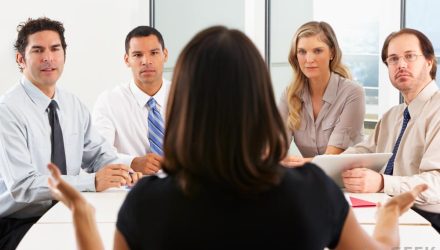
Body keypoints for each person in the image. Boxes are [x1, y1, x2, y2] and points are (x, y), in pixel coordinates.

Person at [47, 26, 427, 249]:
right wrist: (389, 216)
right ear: (260, 101)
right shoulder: (312, 192)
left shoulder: (147, 204)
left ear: (182, 103)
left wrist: (82, 216)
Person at [0, 17, 141, 250]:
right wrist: (93, 181)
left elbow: (98, 154)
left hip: (65, 212)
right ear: (20, 59)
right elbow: (23, 186)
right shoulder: (8, 111)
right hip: (18, 221)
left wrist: (121, 171)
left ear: (64, 55)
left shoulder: (72, 104)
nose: (48, 58)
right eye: (37, 50)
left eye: (55, 49)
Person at [342, 28, 440, 233]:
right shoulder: (392, 116)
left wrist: (381, 182)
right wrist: (316, 165)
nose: (401, 65)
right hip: (390, 209)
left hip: (430, 218)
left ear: (429, 62)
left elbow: (437, 184)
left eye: (410, 56)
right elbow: (363, 153)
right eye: (393, 59)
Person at [279, 21, 365, 166]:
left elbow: (332, 157)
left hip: (349, 182)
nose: (309, 59)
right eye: (302, 52)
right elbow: (276, 147)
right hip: (312, 179)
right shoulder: (290, 94)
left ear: (332, 52)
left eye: (317, 51)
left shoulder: (353, 93)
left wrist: (295, 162)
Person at [93, 26, 169, 176]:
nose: (146, 61)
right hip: (130, 190)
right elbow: (98, 155)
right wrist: (133, 162)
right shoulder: (109, 101)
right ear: (127, 60)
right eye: (137, 55)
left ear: (165, 55)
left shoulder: (185, 95)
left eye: (154, 53)